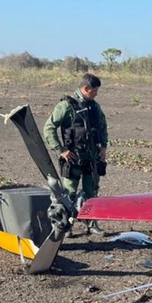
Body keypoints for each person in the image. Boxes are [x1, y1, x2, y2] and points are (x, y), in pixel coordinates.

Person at [43, 73, 108, 234]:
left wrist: (103, 147)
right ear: (86, 89)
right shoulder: (66, 106)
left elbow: (102, 126)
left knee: (91, 193)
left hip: (91, 158)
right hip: (73, 158)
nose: (96, 94)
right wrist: (60, 150)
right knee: (68, 194)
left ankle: (91, 224)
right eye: (94, 91)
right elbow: (49, 128)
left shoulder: (95, 106)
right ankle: (66, 226)